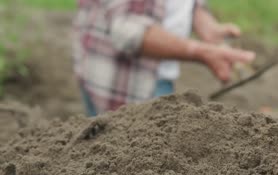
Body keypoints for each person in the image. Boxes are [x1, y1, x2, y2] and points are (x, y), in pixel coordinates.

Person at [73, 0, 255, 116]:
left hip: (156, 76)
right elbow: (129, 31)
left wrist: (204, 23)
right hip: (126, 84)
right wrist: (201, 52)